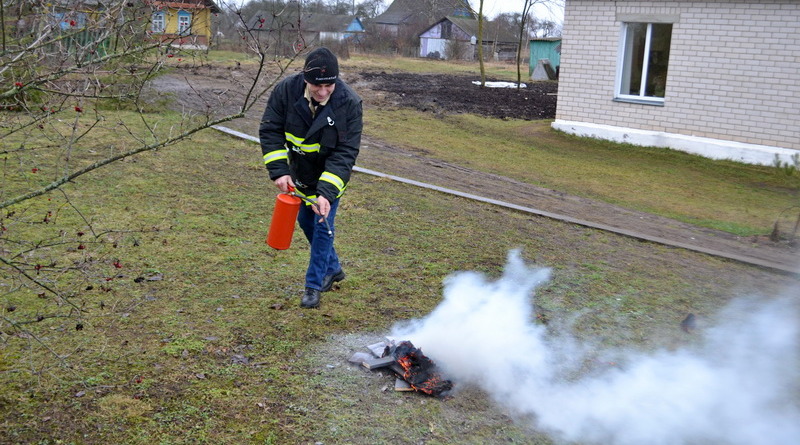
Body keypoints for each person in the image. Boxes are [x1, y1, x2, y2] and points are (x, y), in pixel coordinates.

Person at [259, 47, 363, 309]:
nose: (323, 91)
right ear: (306, 78)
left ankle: (314, 284)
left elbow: (345, 152)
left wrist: (326, 193)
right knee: (305, 219)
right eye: (317, 84)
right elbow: (270, 129)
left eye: (329, 85)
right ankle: (334, 267)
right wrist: (280, 171)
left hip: (330, 176)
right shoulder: (285, 91)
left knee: (321, 224)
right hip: (299, 173)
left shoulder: (349, 103)